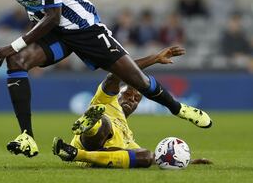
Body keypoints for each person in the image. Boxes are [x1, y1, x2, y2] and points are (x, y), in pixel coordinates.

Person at [0, 0, 212, 158]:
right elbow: (37, 11)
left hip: (83, 28)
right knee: (16, 61)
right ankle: (27, 137)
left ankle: (179, 109)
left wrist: (15, 44)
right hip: (55, 34)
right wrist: (20, 48)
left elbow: (53, 15)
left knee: (137, 80)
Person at [52, 46, 212, 168]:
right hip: (89, 140)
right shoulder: (107, 101)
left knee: (147, 157)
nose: (132, 99)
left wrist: (189, 161)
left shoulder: (128, 136)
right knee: (103, 121)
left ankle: (77, 155)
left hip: (103, 155)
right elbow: (115, 75)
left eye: (137, 99)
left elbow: (159, 159)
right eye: (127, 93)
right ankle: (90, 126)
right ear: (119, 93)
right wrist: (155, 58)